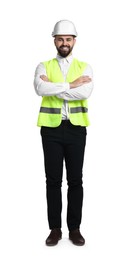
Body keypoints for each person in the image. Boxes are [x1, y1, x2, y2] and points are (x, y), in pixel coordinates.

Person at [34, 19, 93, 246]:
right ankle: (55, 229)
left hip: (77, 129)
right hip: (50, 129)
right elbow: (40, 88)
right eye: (60, 39)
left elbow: (85, 93)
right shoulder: (43, 66)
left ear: (74, 41)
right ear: (54, 41)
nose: (64, 43)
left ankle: (75, 229)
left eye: (68, 39)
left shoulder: (85, 67)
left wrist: (55, 88)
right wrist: (71, 85)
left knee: (76, 180)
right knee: (53, 181)